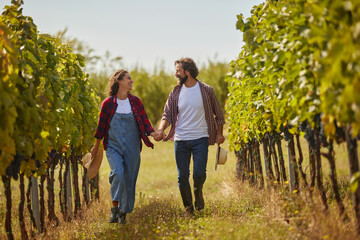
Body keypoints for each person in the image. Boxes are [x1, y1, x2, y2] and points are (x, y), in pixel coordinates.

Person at [155, 57, 225, 214]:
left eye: (178, 71)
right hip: (181, 140)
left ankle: (198, 193)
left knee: (199, 173)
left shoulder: (207, 90)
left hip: (200, 138)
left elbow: (219, 115)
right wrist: (160, 129)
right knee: (182, 177)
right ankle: (188, 208)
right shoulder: (176, 92)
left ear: (188, 71)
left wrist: (220, 133)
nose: (176, 74)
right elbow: (167, 114)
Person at [91, 69, 158, 224]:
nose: (131, 81)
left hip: (132, 147)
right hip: (113, 146)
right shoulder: (108, 103)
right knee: (118, 173)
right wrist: (96, 146)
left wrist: (154, 134)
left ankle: (123, 213)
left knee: (129, 180)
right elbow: (101, 127)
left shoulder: (135, 102)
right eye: (128, 78)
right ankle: (114, 208)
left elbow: (145, 122)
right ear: (119, 81)